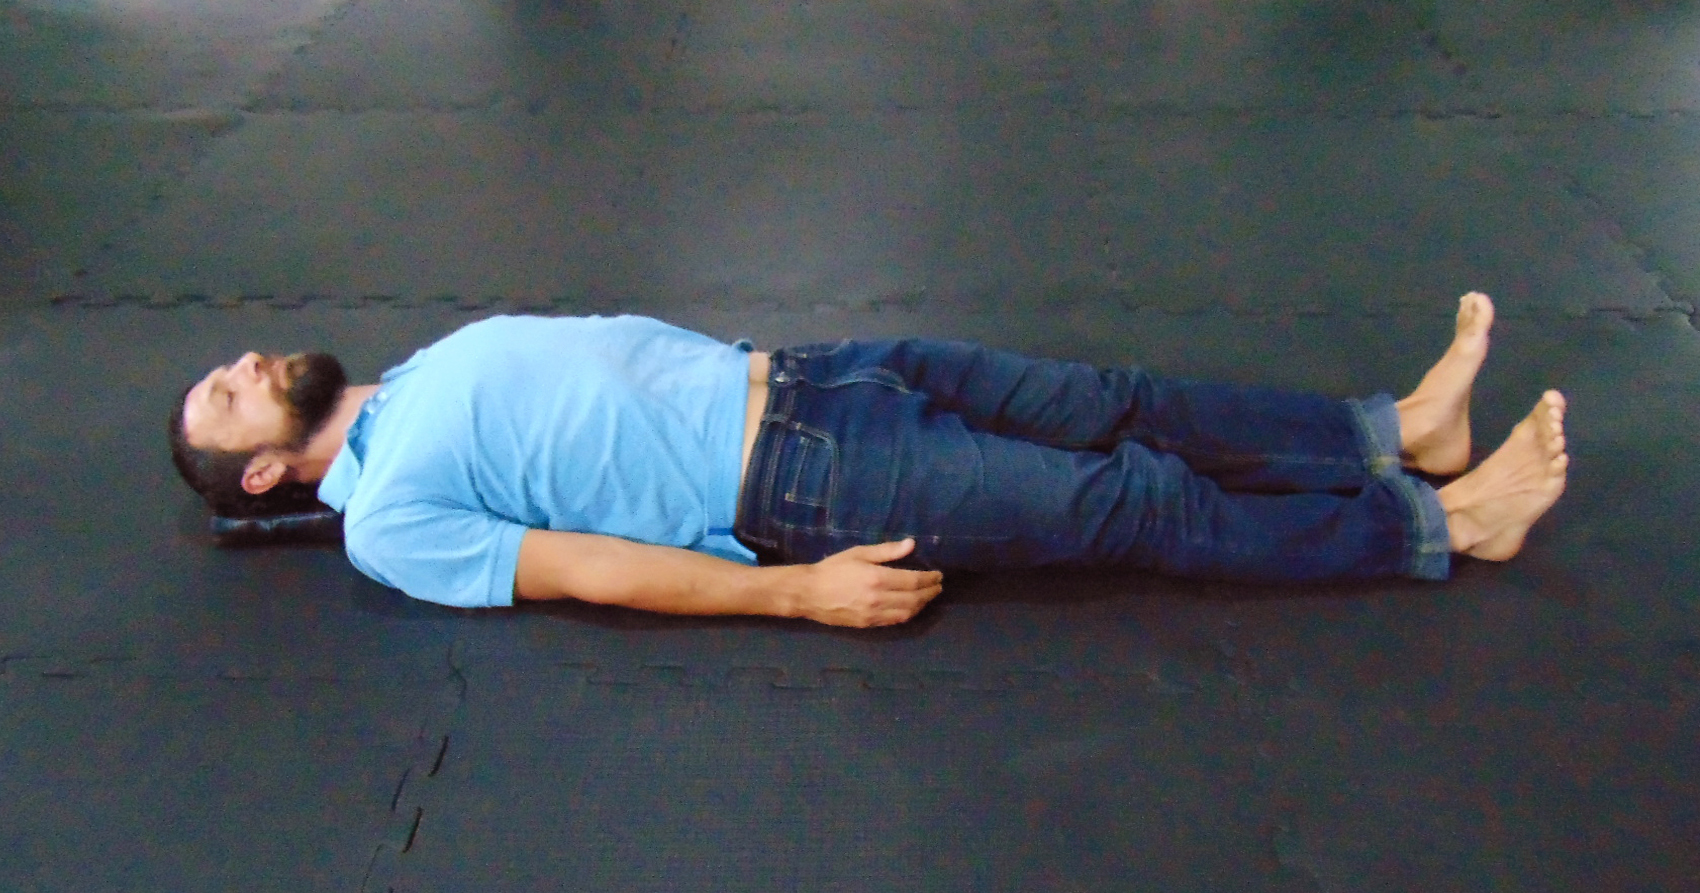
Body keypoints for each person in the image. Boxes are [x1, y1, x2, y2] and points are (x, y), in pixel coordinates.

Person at [167, 292, 1568, 628]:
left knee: (1114, 399)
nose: (241, 366)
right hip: (802, 484)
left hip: (818, 373)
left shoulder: (408, 380)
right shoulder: (384, 520)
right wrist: (796, 592)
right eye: (224, 399)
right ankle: (1442, 529)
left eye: (226, 368)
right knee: (1130, 501)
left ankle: (1396, 435)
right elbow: (580, 567)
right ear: (265, 476)